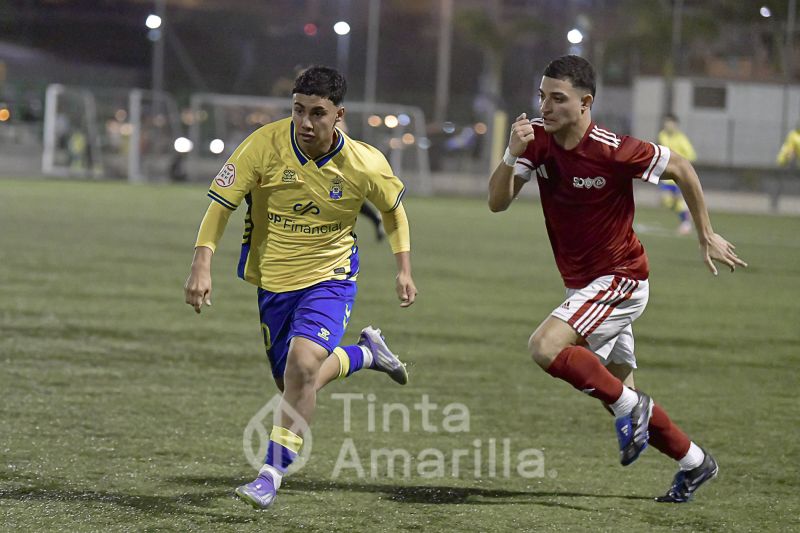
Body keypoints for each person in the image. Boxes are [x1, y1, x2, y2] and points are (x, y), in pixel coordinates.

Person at [488, 55, 746, 503]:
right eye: (541, 96)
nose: (544, 107)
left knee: (545, 347)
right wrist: (511, 151)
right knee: (614, 392)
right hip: (584, 287)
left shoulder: (613, 148)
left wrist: (705, 233)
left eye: (557, 98)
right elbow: (497, 202)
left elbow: (682, 168)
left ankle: (636, 409)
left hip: (621, 279)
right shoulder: (538, 144)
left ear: (585, 102)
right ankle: (695, 462)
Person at [184, 66, 418, 510]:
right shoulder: (263, 145)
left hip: (331, 278)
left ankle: (269, 475)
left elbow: (393, 212)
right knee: (293, 380)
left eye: (317, 113)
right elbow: (220, 205)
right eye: (298, 110)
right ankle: (366, 353)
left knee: (303, 365)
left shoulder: (365, 162)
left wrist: (403, 268)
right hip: (273, 281)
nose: (306, 122)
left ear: (339, 115)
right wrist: (201, 262)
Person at [657, 114, 697, 234]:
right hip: (666, 175)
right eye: (666, 123)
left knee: (680, 201)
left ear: (675, 125)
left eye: (670, 123)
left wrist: (680, 162)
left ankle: (686, 223)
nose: (667, 125)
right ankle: (686, 216)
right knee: (667, 200)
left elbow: (692, 155)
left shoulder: (681, 139)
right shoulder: (662, 135)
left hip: (678, 175)